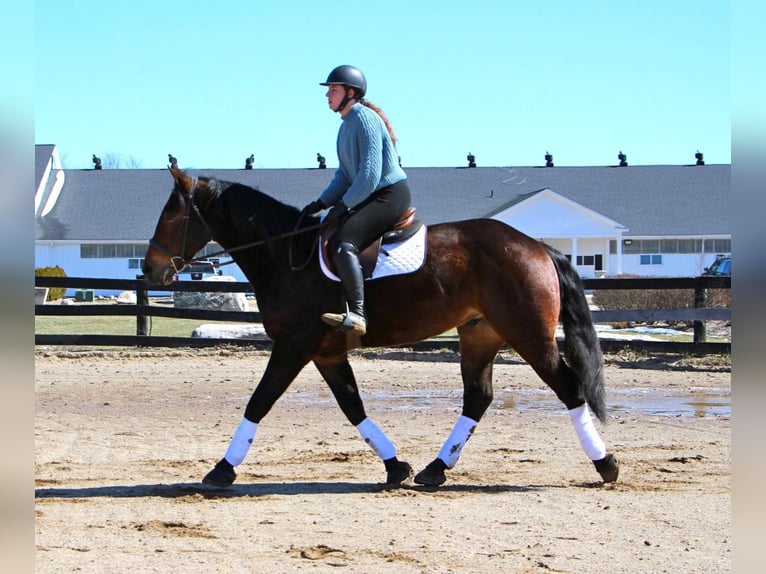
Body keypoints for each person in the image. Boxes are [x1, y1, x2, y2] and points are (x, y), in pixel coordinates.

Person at [303, 65, 411, 336]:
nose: (327, 95)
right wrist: (322, 203)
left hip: (388, 194)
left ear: (351, 93)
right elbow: (344, 175)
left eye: (333, 90)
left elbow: (370, 175)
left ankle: (358, 314)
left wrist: (344, 207)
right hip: (368, 194)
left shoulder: (364, 119)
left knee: (343, 243)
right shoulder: (345, 126)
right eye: (328, 90)